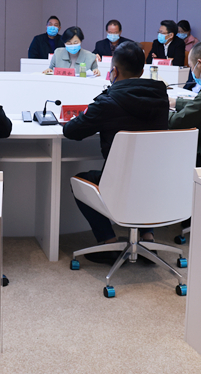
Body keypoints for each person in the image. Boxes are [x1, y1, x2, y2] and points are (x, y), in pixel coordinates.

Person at [63, 42, 170, 259]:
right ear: (142, 71)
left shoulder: (108, 102)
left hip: (119, 186)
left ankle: (108, 242)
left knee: (81, 179)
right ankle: (147, 238)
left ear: (114, 71)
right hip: (155, 184)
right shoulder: (161, 98)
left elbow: (71, 131)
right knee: (142, 177)